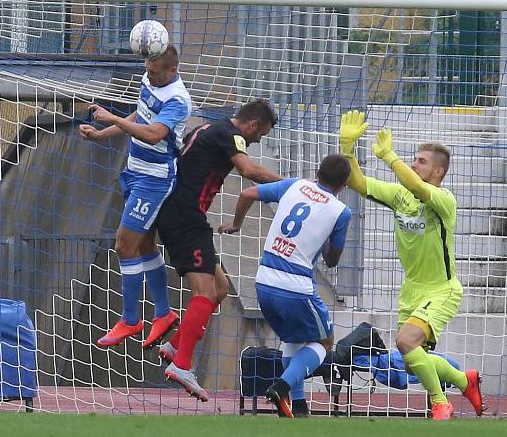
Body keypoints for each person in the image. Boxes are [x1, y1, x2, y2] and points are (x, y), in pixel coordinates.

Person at [337, 110, 485, 420]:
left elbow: (418, 188)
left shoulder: (444, 200)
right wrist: (347, 149)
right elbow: (359, 184)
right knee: (410, 358)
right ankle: (463, 380)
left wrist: (390, 157)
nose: (414, 164)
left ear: (438, 172)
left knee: (405, 341)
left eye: (421, 161)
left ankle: (440, 402)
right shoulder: (400, 196)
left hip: (442, 290)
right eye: (413, 159)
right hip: (412, 290)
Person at [155, 99, 282, 402]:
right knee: (205, 294)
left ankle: (175, 345)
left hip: (185, 217)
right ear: (252, 125)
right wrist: (293, 184)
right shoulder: (230, 134)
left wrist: (236, 223)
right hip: (186, 219)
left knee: (221, 287)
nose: (257, 140)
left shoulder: (207, 129)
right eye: (260, 135)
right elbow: (249, 171)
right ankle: (183, 365)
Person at [219, 154, 353, 418]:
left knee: (292, 339)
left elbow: (246, 193)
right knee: (324, 342)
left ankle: (298, 405)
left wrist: (236, 224)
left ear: (317, 171)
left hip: (264, 281)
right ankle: (282, 386)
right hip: (296, 287)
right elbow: (332, 260)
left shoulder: (294, 185)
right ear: (344, 184)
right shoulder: (341, 211)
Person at [79, 45, 192, 349]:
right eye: (147, 69)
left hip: (154, 181)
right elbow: (141, 114)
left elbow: (154, 133)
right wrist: (102, 132)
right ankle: (164, 314)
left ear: (171, 70)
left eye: (154, 72)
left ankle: (130, 319)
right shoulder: (148, 80)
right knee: (143, 244)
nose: (149, 75)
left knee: (124, 244)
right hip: (133, 171)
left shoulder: (178, 100)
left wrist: (109, 116)